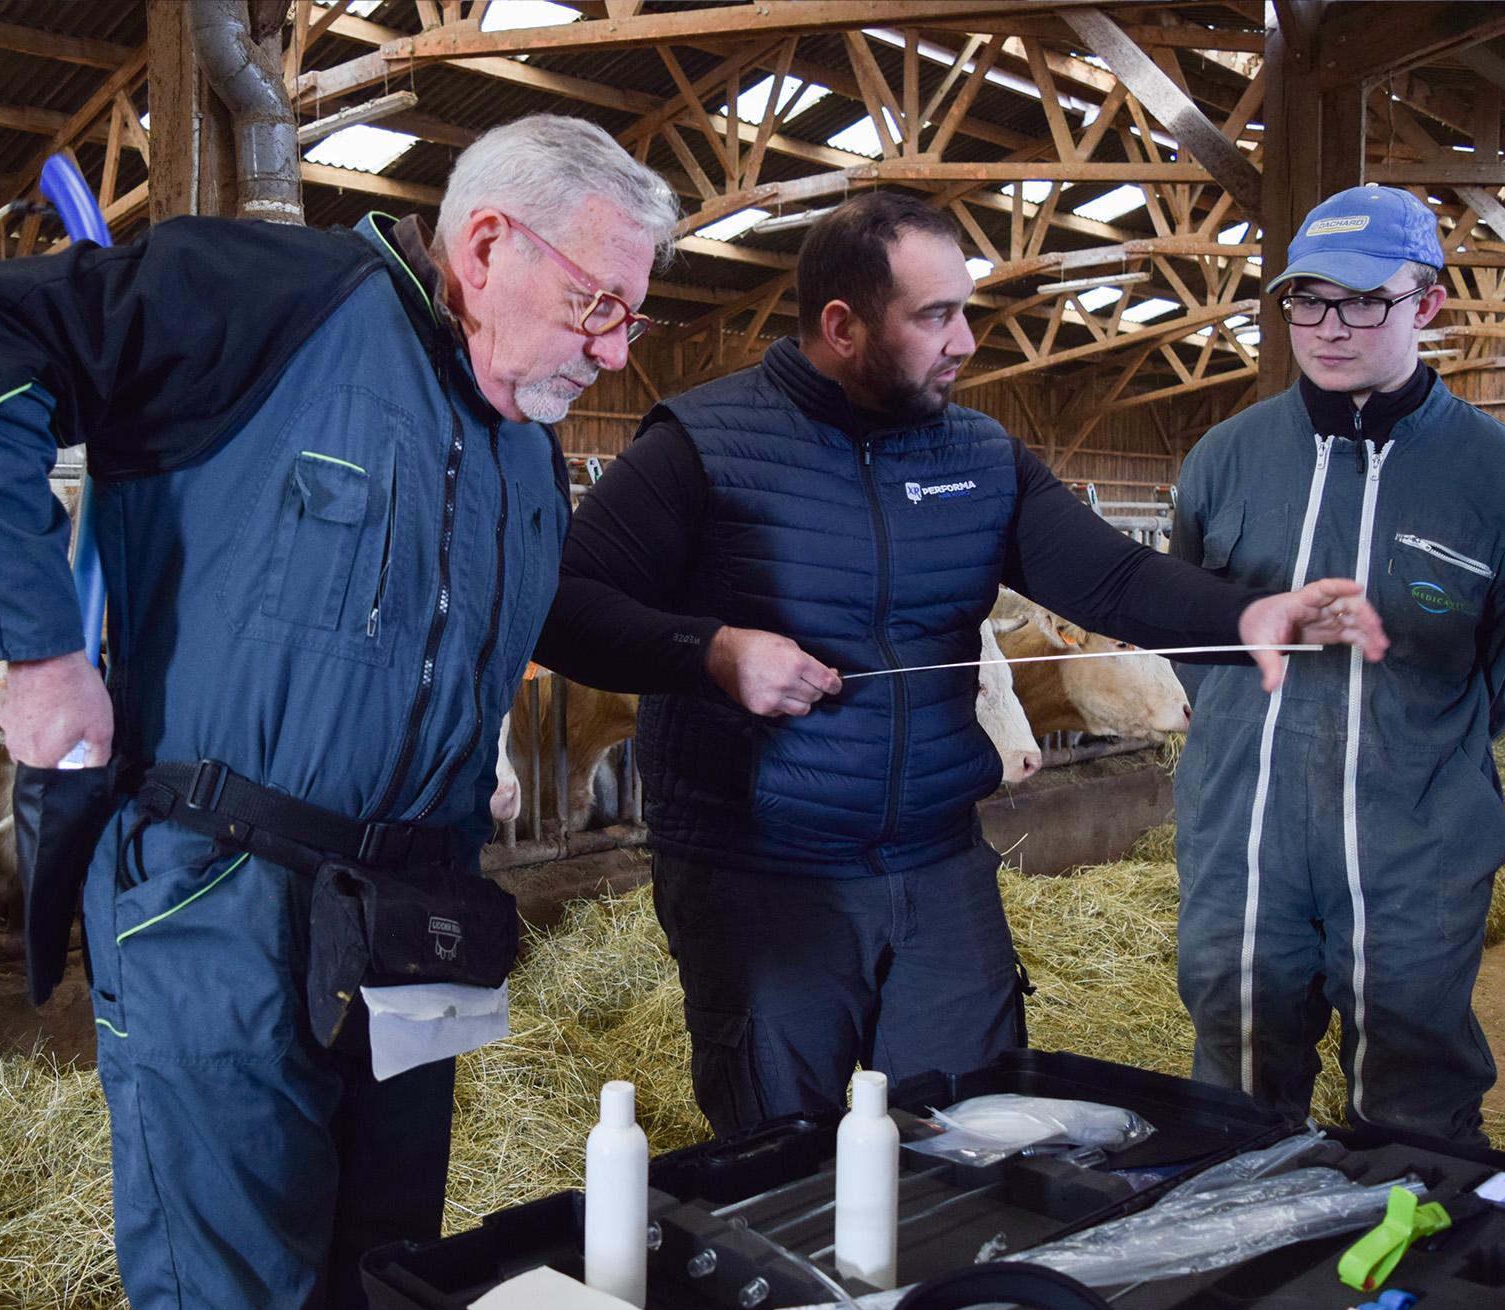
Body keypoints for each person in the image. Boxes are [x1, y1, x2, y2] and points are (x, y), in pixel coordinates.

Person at [0, 115, 678, 1310]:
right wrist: (32, 647)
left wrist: (710, 652)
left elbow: (527, 621)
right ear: (486, 242)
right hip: (221, 898)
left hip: (416, 926)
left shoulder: (529, 444)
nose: (615, 348)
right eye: (597, 305)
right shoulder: (268, 299)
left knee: (380, 1287)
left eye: (634, 317)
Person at [534, 190, 1387, 1138]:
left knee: (978, 1139)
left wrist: (1249, 613)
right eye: (935, 315)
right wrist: (713, 653)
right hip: (760, 878)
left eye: (965, 310)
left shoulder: (980, 456)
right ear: (843, 325)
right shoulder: (700, 448)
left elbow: (1108, 575)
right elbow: (559, 609)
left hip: (938, 868)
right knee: (787, 1159)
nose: (968, 340)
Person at [1169, 185, 1505, 1145]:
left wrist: (1411, 745)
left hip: (1416, 840)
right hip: (1243, 830)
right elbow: (1187, 632)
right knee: (1236, 1078)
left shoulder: (1500, 473)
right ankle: (1248, 1277)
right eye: (1306, 299)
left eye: (1362, 301)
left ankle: (1405, 1277)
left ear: (1426, 302)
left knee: (1414, 1092)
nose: (1328, 327)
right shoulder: (1227, 457)